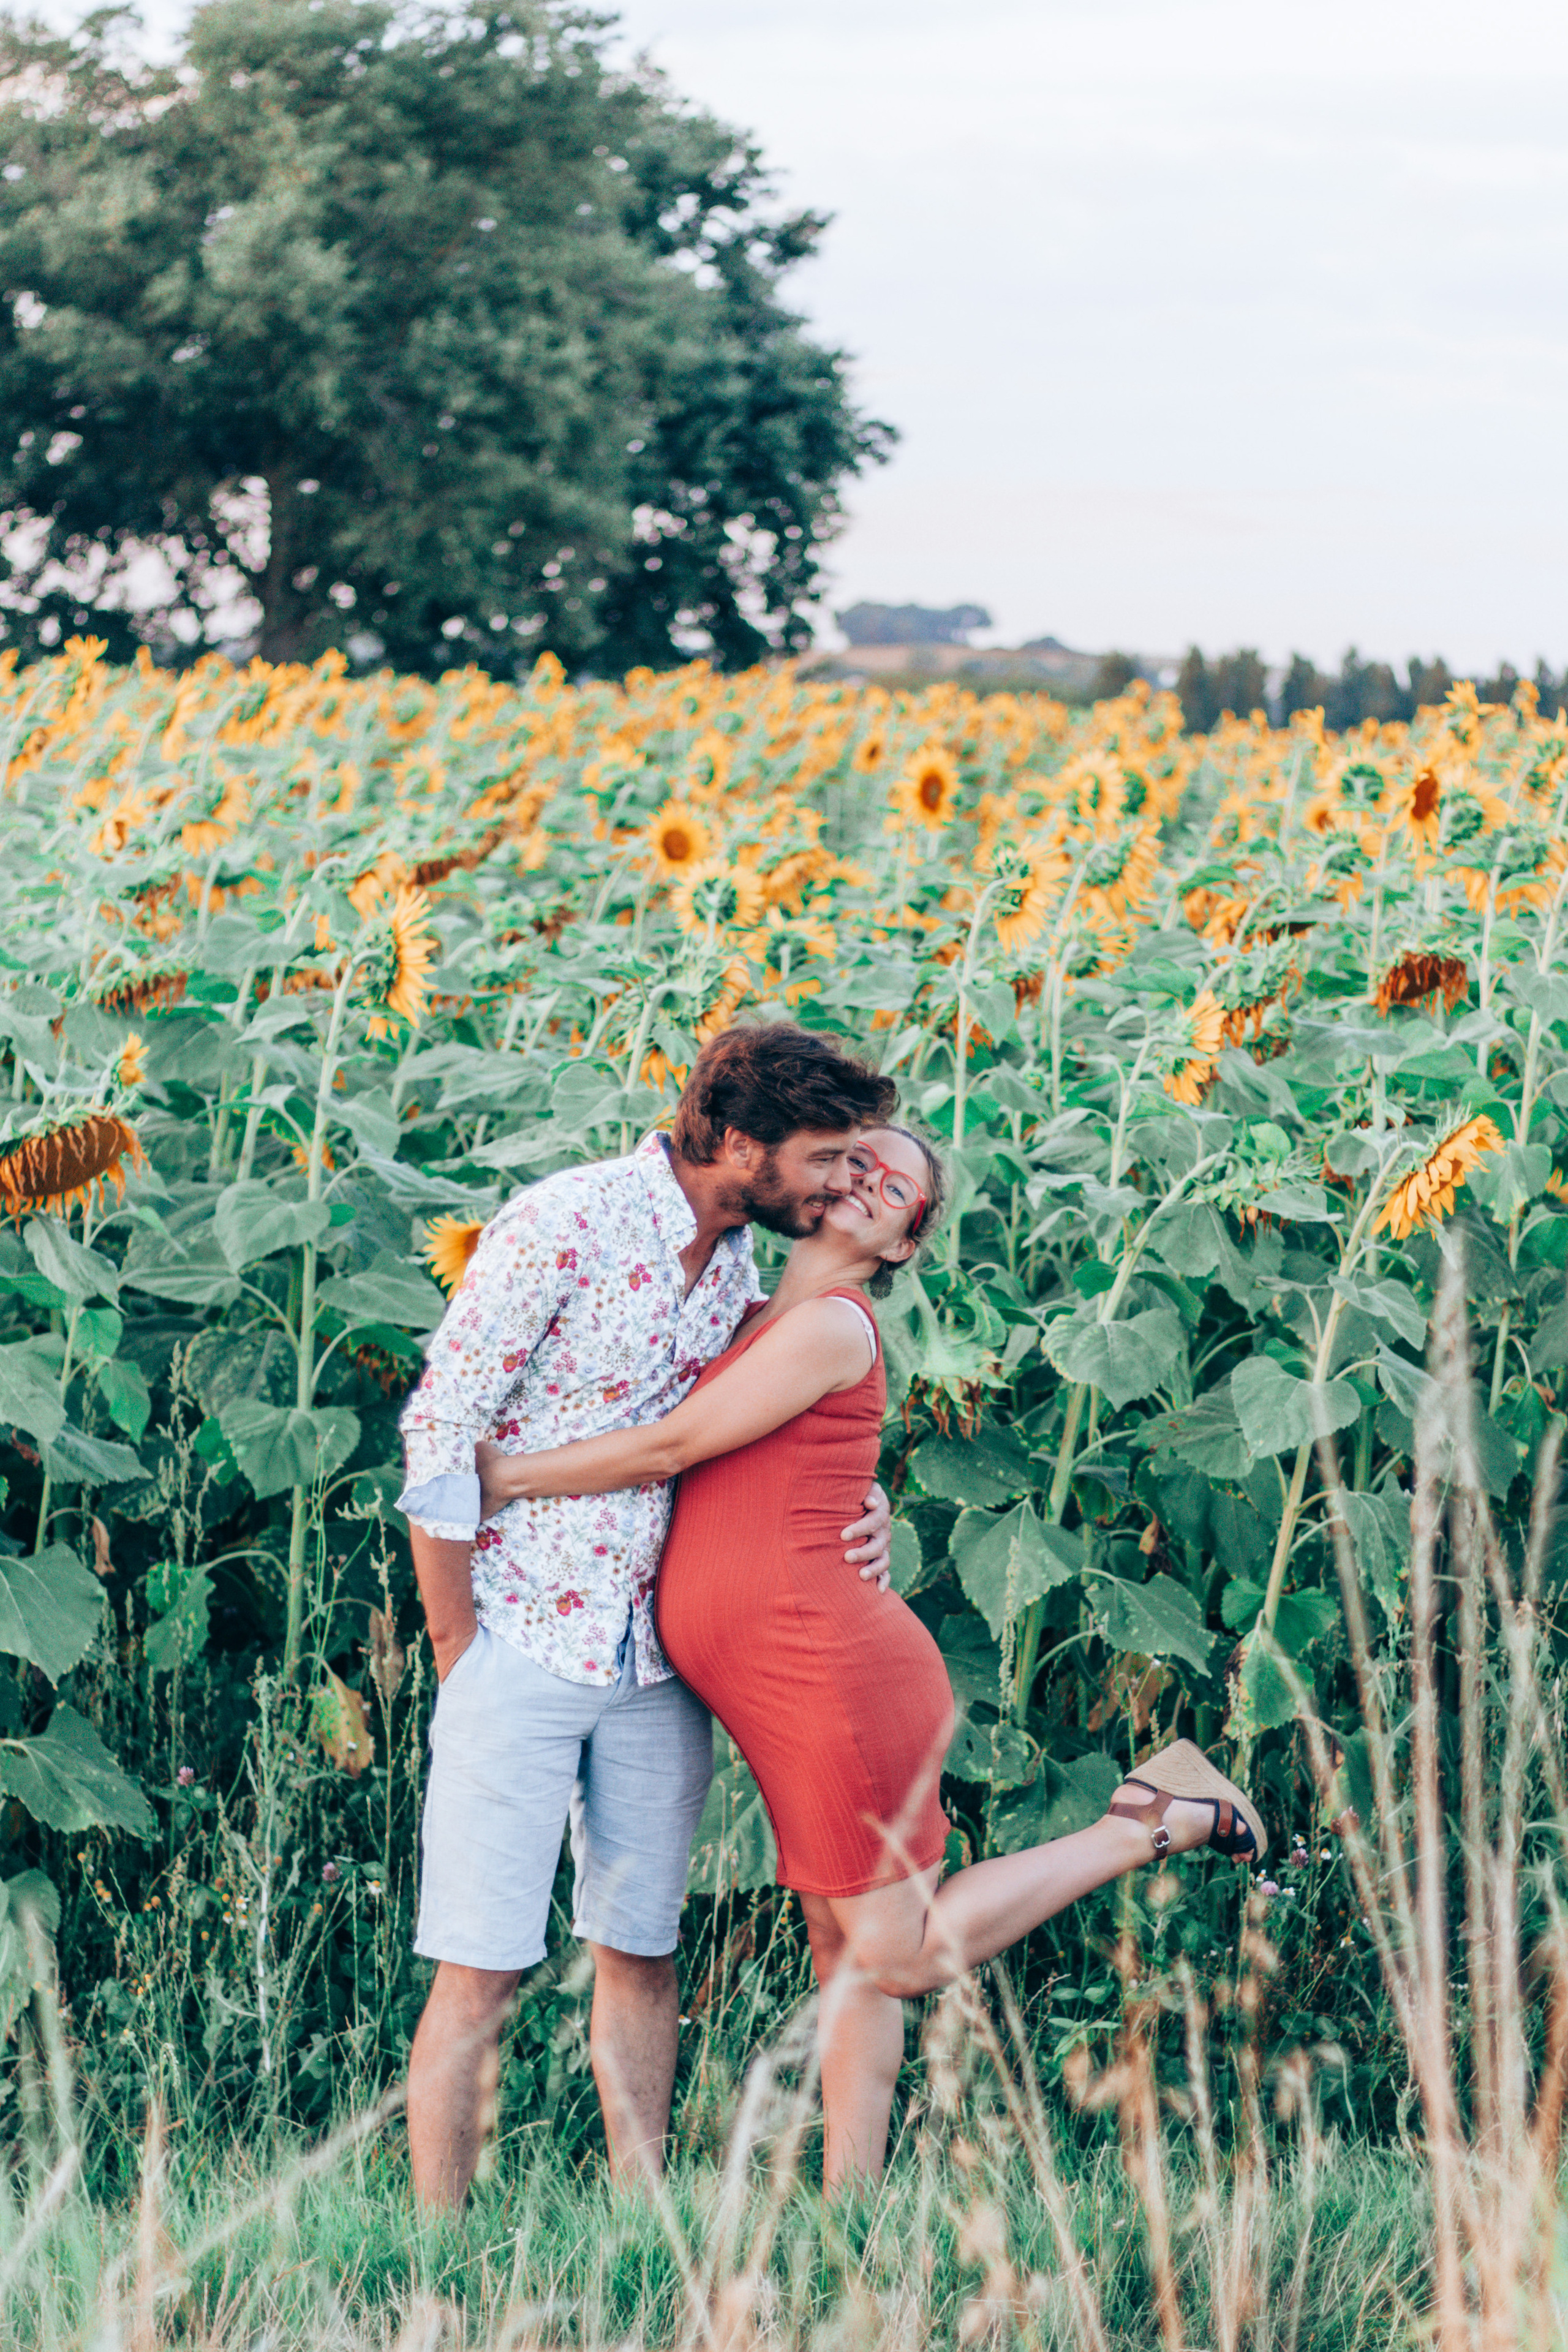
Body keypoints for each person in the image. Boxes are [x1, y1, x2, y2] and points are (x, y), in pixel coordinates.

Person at [475, 1125, 1267, 2188]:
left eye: (894, 1186)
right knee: (844, 1957)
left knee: (895, 1952)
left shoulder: (834, 1327)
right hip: (784, 1684)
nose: (864, 1181)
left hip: (834, 1677)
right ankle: (853, 2208)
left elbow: (672, 1448)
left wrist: (507, 1477)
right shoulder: (757, 1316)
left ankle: (1154, 1819)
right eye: (853, 1160)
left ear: (906, 1241)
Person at [396, 1023, 900, 2207]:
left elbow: (771, 1428)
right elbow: (442, 1429)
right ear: (737, 1141)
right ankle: (434, 2250)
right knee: (481, 1967)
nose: (839, 1185)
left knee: (642, 1950)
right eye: (825, 1158)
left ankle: (644, 2220)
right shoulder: (563, 1224)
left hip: (654, 1658)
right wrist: (454, 1642)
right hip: (518, 1638)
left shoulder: (739, 1269)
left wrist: (868, 1502)